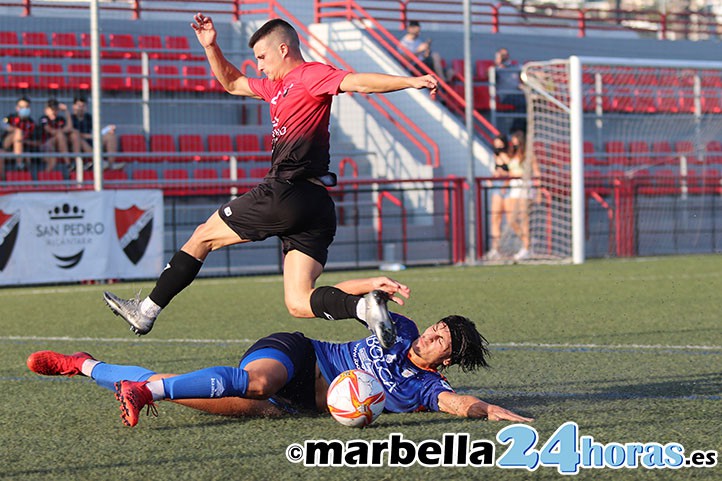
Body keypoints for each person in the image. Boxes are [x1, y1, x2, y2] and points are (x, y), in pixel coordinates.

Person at [102, 14, 439, 349]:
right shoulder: (275, 87)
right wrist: (211, 47)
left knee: (203, 237)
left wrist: (411, 81)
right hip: (317, 205)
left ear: (283, 49)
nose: (259, 65)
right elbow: (232, 83)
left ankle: (146, 310)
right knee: (298, 301)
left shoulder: (311, 75)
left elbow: (358, 81)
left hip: (286, 190)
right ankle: (363, 306)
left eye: (262, 57)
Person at [28, 277, 533, 427]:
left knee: (189, 394)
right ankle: (144, 388)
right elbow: (356, 303)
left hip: (289, 404)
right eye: (436, 328)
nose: (429, 336)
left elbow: (462, 404)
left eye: (439, 340)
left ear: (445, 359)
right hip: (297, 354)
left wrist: (499, 414)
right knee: (259, 381)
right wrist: (367, 291)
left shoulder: (426, 388)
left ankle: (82, 365)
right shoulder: (398, 328)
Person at [68, 95, 119, 170]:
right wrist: (90, 136)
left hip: (92, 140)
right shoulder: (70, 118)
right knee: (78, 139)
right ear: (74, 106)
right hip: (78, 145)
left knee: (111, 136)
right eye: (79, 106)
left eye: (83, 106)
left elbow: (97, 131)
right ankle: (99, 162)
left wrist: (107, 130)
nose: (81, 108)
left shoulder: (89, 117)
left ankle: (111, 165)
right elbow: (73, 134)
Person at [485, 134, 511, 261]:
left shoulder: (506, 155)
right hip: (497, 188)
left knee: (512, 219)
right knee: (495, 219)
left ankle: (525, 245)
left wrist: (503, 172)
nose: (498, 147)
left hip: (507, 188)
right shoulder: (494, 156)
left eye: (500, 144)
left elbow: (511, 170)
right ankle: (496, 248)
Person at [1, 96, 40, 175]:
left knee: (28, 156)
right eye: (22, 107)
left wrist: (24, 141)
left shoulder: (32, 123)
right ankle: (19, 164)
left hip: (23, 149)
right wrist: (13, 129)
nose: (24, 109)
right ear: (17, 108)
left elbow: (38, 142)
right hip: (7, 145)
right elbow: (2, 124)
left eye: (26, 107)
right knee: (18, 131)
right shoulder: (11, 118)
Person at [38, 98, 72, 172]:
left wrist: (66, 111)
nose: (54, 111)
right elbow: (50, 131)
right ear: (46, 110)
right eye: (51, 109)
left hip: (58, 145)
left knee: (64, 135)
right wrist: (61, 131)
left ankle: (69, 164)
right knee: (60, 135)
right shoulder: (43, 119)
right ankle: (68, 163)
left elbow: (69, 128)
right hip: (45, 146)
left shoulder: (60, 119)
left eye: (55, 109)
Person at [493, 48, 525, 112]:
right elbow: (488, 75)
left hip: (519, 93)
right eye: (502, 55)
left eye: (506, 55)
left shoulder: (515, 67)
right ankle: (518, 122)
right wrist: (498, 63)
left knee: (531, 101)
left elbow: (527, 69)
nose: (505, 57)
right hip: (506, 95)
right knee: (523, 103)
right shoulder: (497, 70)